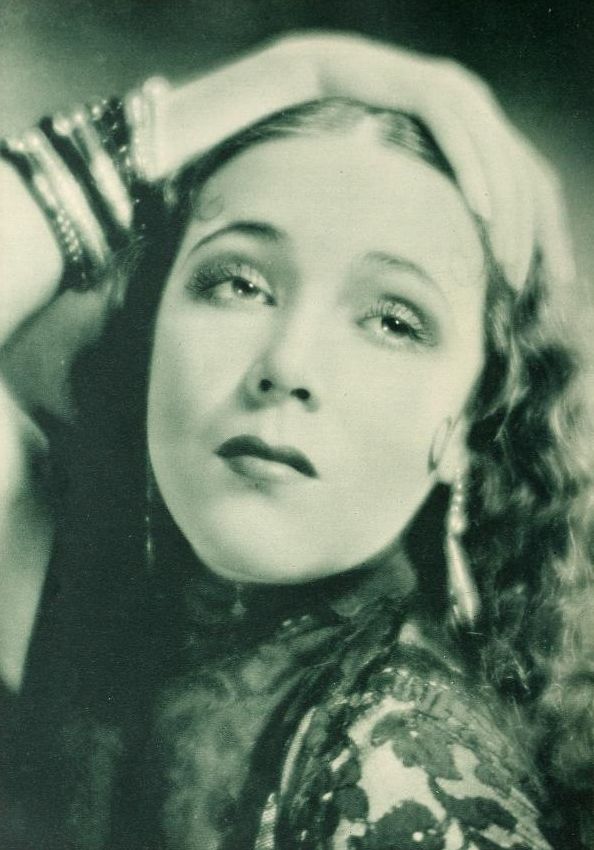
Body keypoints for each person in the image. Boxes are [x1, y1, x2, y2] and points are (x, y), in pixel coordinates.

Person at [0, 33, 591, 850]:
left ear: (464, 429)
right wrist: (301, 70)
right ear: (151, 335)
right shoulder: (81, 584)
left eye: (392, 320)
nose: (287, 366)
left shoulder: (404, 773)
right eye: (238, 281)